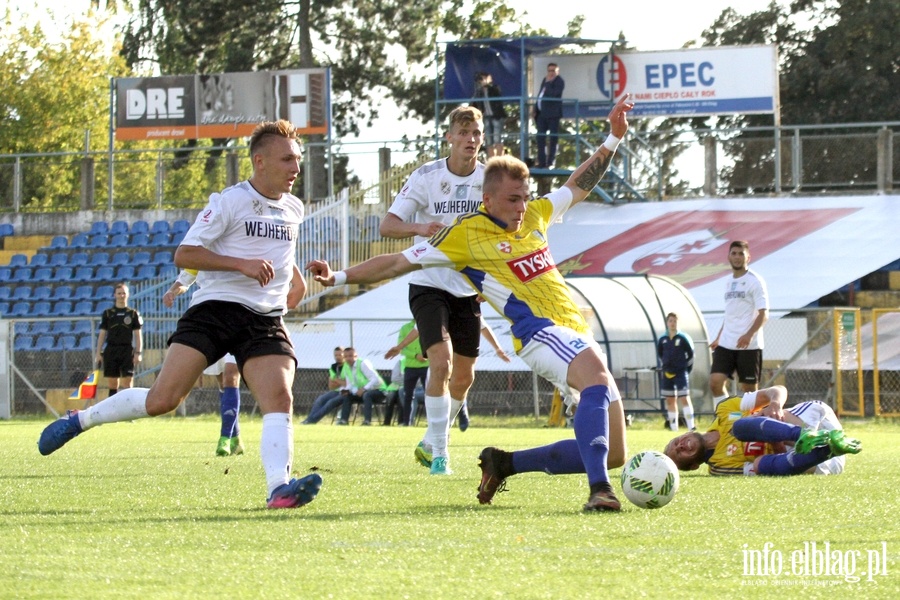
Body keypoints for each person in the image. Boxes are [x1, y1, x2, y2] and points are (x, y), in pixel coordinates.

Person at [310, 95, 635, 511]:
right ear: (488, 201)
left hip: (575, 331)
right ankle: (600, 492)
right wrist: (337, 277)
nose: (522, 207)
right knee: (597, 382)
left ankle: (505, 463)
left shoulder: (535, 215)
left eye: (525, 197)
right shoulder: (464, 235)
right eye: (513, 199)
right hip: (539, 332)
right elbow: (394, 262)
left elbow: (577, 185)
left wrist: (612, 138)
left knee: (614, 451)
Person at [39, 119, 323, 510]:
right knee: (162, 400)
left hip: (264, 319)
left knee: (279, 396)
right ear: (259, 161)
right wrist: (240, 264)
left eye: (298, 160)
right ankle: (80, 420)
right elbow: (185, 255)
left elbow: (277, 251)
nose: (296, 168)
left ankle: (279, 488)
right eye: (287, 159)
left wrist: (294, 278)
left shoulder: (294, 207)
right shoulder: (229, 201)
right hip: (215, 310)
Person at [378, 105, 486, 475]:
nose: (471, 140)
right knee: (441, 362)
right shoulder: (426, 177)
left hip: (468, 287)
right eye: (464, 133)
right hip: (428, 283)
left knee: (465, 377)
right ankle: (440, 453)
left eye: (477, 134)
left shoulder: (490, 180)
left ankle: (430, 438)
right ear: (450, 137)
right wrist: (421, 228)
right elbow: (388, 225)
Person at [664, 385, 860, 476]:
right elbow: (774, 466)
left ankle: (806, 436)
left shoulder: (724, 410)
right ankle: (830, 447)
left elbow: (777, 390)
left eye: (676, 442)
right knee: (759, 465)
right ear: (692, 467)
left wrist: (774, 404)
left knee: (740, 427)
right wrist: (774, 442)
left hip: (816, 421)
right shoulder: (719, 467)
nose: (681, 445)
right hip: (819, 461)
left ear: (684, 434)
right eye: (679, 453)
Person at [162, 269, 244, 456]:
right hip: (211, 321)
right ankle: (235, 437)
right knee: (221, 381)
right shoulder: (205, 248)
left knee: (231, 377)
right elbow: (186, 278)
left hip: (240, 318)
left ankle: (224, 438)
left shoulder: (240, 245)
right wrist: (172, 291)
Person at [709, 240, 769, 403]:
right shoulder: (729, 282)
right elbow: (730, 313)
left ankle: (749, 424)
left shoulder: (754, 281)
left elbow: (764, 314)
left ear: (748, 257)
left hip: (748, 345)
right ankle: (724, 418)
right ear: (728, 256)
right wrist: (719, 337)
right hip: (727, 342)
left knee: (749, 390)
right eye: (733, 253)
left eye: (741, 254)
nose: (737, 257)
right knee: (715, 382)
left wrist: (749, 335)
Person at [95, 282, 143, 397]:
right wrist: (98, 353)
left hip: (127, 350)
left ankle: (129, 409)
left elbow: (138, 334)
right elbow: (102, 334)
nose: (122, 295)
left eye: (124, 293)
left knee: (128, 382)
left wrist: (138, 352)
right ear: (115, 295)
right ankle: (112, 410)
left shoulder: (133, 314)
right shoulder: (108, 314)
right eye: (119, 293)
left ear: (128, 295)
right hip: (111, 350)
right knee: (112, 383)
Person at [384, 320, 429, 427]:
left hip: (426, 366)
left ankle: (431, 422)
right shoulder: (405, 328)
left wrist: (425, 354)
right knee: (407, 395)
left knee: (430, 395)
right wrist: (415, 355)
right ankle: (406, 422)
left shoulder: (428, 323)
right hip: (410, 367)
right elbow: (402, 349)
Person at [657, 312, 695, 431]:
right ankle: (674, 428)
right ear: (667, 323)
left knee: (684, 398)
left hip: (681, 372)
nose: (672, 323)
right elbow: (660, 354)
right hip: (667, 373)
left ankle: (691, 426)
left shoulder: (683, 338)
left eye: (675, 321)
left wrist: (685, 368)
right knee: (670, 400)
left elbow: (691, 355)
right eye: (670, 321)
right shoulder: (662, 339)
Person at [335, 347, 387, 426]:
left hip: (379, 391)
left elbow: (375, 379)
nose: (348, 358)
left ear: (356, 356)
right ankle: (343, 421)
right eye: (345, 357)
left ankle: (367, 421)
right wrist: (344, 391)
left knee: (367, 395)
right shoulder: (346, 367)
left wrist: (363, 389)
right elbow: (350, 384)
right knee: (347, 396)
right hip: (362, 392)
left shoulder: (363, 363)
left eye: (350, 356)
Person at [301, 346, 348, 425]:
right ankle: (309, 419)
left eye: (340, 355)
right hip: (337, 391)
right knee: (320, 399)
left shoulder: (348, 366)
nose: (337, 357)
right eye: (336, 355)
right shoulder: (333, 367)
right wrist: (340, 382)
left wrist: (337, 381)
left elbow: (347, 383)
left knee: (330, 402)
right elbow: (331, 386)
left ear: (344, 355)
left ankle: (311, 421)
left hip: (347, 391)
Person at [532, 62, 565, 168]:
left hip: (553, 114)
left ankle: (550, 161)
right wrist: (535, 108)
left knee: (553, 138)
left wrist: (548, 83)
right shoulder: (545, 80)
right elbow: (540, 94)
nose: (550, 73)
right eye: (549, 71)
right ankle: (541, 162)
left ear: (557, 71)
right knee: (540, 137)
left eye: (553, 71)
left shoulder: (559, 81)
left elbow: (553, 94)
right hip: (542, 114)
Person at [474, 72, 507, 158]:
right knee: (488, 140)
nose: (481, 81)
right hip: (486, 117)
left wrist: (488, 84)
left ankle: (500, 160)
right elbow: (475, 102)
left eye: (483, 79)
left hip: (496, 116)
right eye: (480, 80)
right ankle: (491, 162)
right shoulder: (479, 92)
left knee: (497, 139)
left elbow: (498, 94)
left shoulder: (494, 88)